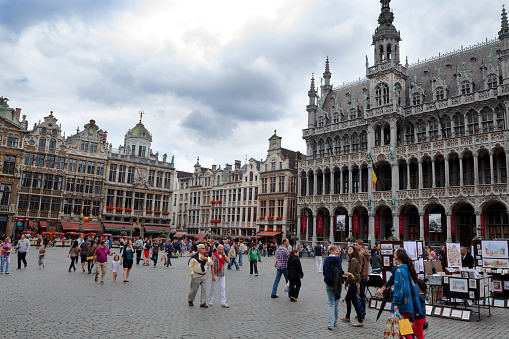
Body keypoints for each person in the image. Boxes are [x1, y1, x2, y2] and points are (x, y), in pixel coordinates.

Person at [392, 251, 423, 339]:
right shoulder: (408, 270)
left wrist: (396, 303)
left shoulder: (399, 270)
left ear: (399, 261)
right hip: (409, 302)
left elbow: (398, 288)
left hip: (403, 303)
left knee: (402, 328)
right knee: (400, 327)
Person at [323, 245, 349, 330]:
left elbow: (324, 272)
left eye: (338, 250)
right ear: (332, 251)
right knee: (336, 302)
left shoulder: (326, 259)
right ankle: (334, 321)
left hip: (328, 283)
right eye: (336, 250)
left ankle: (330, 324)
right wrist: (350, 274)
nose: (338, 252)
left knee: (331, 303)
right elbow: (341, 271)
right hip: (337, 283)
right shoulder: (337, 259)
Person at [340, 245, 364, 327]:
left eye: (351, 249)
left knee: (355, 302)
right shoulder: (352, 259)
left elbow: (351, 274)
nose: (349, 250)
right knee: (347, 299)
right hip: (353, 282)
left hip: (353, 282)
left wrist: (346, 283)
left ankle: (360, 320)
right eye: (348, 249)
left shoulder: (353, 260)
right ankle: (347, 316)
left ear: (354, 251)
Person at [354, 239, 370, 316]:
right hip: (365, 276)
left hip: (360, 276)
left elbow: (359, 267)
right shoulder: (366, 253)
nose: (355, 246)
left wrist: (356, 276)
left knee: (358, 294)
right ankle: (361, 312)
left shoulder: (360, 254)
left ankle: (362, 310)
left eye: (356, 245)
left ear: (361, 245)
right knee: (362, 294)